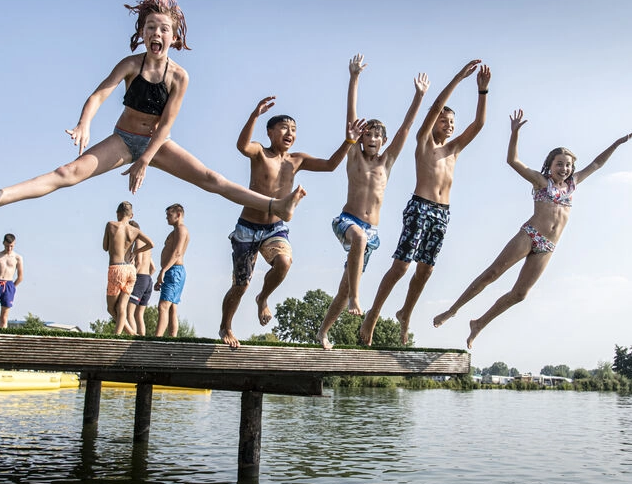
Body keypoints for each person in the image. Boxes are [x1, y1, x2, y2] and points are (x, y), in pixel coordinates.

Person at [0, 0, 306, 221]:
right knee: (67, 173)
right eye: (150, 27)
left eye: (163, 28)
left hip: (157, 143)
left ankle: (277, 206)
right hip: (124, 140)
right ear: (143, 33)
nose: (157, 33)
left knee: (212, 179)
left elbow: (167, 124)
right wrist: (85, 123)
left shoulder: (179, 77)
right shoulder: (130, 64)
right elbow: (98, 95)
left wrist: (146, 161)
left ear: (173, 36)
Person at [434, 110, 632, 348]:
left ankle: (479, 324)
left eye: (568, 165)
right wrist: (514, 134)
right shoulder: (541, 182)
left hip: (548, 246)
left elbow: (597, 163)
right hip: (530, 235)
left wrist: (618, 142)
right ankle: (452, 310)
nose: (564, 169)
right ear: (550, 165)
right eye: (559, 164)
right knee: (492, 274)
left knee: (520, 294)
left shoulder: (573, 184)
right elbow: (512, 161)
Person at [359, 60, 491, 346]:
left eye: (452, 122)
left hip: (442, 213)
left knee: (426, 269)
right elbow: (433, 109)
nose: (449, 124)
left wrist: (482, 91)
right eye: (444, 120)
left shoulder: (454, 149)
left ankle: (405, 314)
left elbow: (479, 124)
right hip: (420, 206)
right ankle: (373, 314)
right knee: (402, 267)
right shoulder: (424, 142)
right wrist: (457, 78)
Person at [217, 96, 366, 348]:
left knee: (284, 262)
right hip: (247, 226)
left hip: (275, 228)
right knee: (240, 285)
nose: (290, 133)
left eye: (294, 129)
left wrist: (349, 140)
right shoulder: (260, 153)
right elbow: (242, 145)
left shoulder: (297, 159)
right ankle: (226, 326)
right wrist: (254, 114)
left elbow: (330, 165)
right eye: (284, 128)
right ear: (270, 132)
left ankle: (263, 298)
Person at [317, 54, 430, 349]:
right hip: (348, 223)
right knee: (358, 240)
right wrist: (354, 78)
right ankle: (357, 296)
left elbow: (406, 128)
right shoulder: (354, 156)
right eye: (367, 133)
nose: (371, 138)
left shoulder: (386, 162)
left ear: (383, 141)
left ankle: (323, 331)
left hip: (371, 231)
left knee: (341, 290)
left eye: (377, 135)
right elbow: (350, 116)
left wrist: (419, 97)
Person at [104, 201, 153, 335]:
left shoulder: (111, 225)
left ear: (117, 213)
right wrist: (135, 252)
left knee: (110, 308)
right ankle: (125, 335)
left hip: (116, 268)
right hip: (130, 270)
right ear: (131, 215)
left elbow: (105, 247)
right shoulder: (135, 231)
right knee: (122, 308)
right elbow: (151, 244)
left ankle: (122, 335)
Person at [154, 203, 190, 337]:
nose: (167, 218)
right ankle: (172, 339)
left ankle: (156, 341)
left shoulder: (181, 229)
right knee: (172, 308)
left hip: (174, 271)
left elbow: (177, 253)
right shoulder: (176, 230)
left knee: (163, 306)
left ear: (178, 214)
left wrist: (163, 271)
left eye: (169, 215)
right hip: (172, 271)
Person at [125, 220, 156, 336]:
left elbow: (139, 262)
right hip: (148, 279)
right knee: (139, 315)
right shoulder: (146, 246)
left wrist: (132, 279)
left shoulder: (138, 241)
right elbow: (153, 268)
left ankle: (133, 339)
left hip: (140, 278)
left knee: (129, 313)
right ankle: (142, 340)